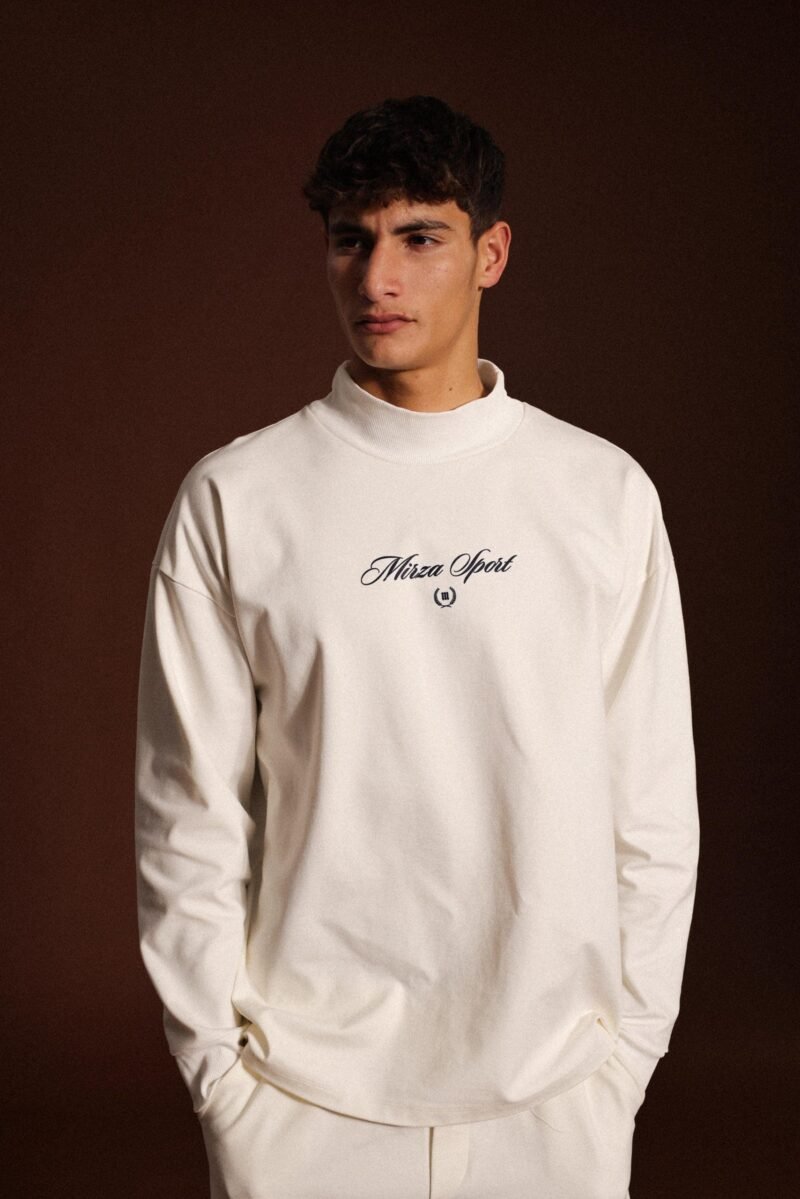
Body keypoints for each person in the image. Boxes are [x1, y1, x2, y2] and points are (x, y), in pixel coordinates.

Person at [134, 94, 700, 1199]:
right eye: (351, 240)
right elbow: (185, 811)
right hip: (299, 1098)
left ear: (491, 253)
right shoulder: (238, 498)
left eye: (419, 237)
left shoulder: (600, 493)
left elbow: (651, 803)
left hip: (556, 1092)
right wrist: (220, 1076)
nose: (376, 277)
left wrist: (624, 1057)